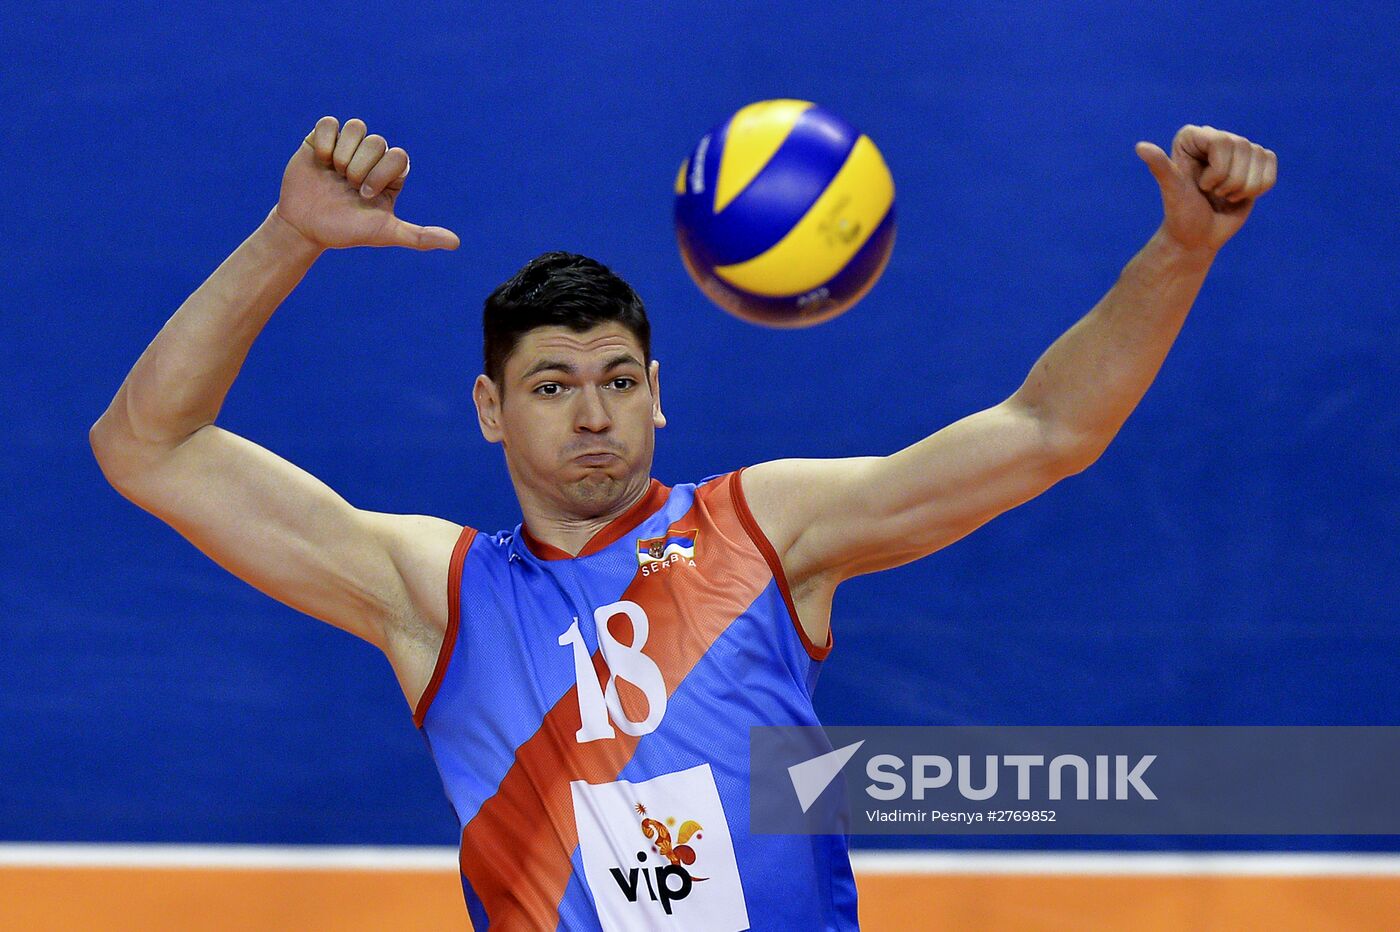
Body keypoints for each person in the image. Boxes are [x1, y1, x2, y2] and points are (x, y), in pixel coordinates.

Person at [89, 115, 1276, 929]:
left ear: (657, 392)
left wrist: (1180, 252)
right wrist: (289, 237)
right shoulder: (436, 594)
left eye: (618, 379)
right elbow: (146, 446)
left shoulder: (761, 528)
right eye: (551, 386)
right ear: (490, 410)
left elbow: (1044, 430)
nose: (591, 414)